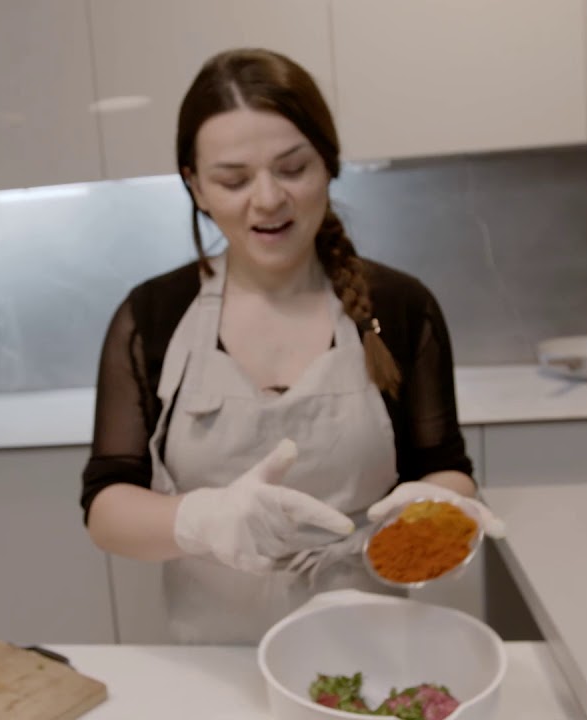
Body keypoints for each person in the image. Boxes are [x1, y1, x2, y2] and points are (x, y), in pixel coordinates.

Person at [80, 48, 504, 645]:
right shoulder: (152, 317)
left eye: (292, 168)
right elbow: (106, 509)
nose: (268, 199)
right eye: (233, 179)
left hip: (373, 651)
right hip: (214, 662)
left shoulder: (399, 309)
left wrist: (437, 503)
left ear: (328, 164)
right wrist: (200, 520)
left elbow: (446, 470)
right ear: (195, 186)